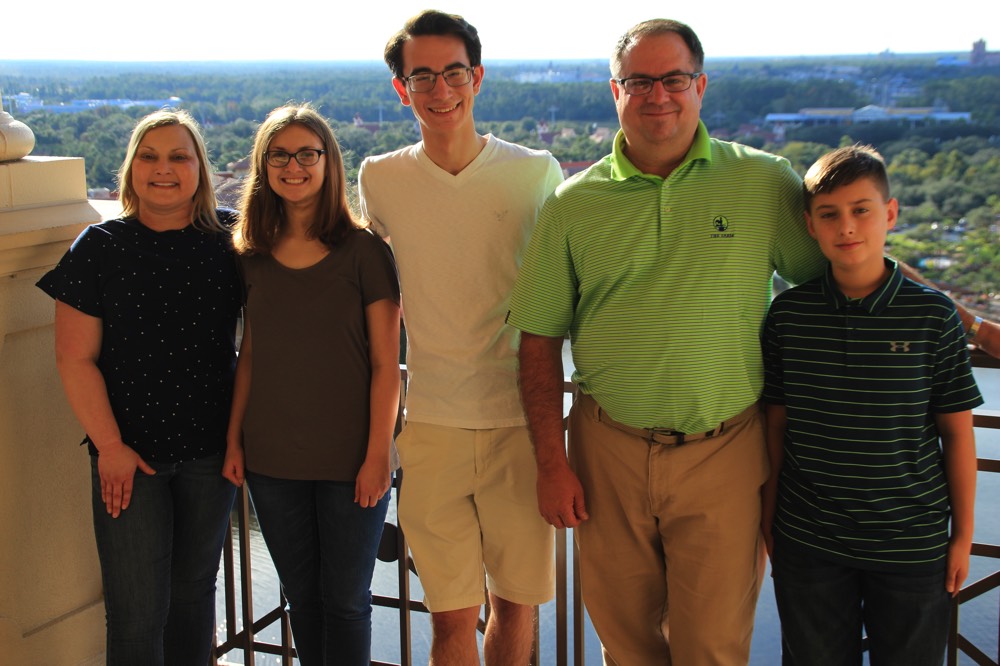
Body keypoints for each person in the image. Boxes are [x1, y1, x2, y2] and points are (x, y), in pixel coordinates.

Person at [506, 19, 828, 666]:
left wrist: (964, 325)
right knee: (626, 646)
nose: (658, 96)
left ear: (700, 86)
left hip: (725, 452)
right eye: (639, 81)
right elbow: (538, 340)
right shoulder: (573, 205)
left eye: (674, 79)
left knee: (711, 648)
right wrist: (551, 460)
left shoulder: (763, 183)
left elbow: (849, 272)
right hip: (606, 455)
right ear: (615, 91)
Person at [357, 10, 563, 664]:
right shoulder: (379, 178)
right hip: (433, 426)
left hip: (520, 424)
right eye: (422, 76)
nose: (440, 89)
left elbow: (570, 285)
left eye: (452, 72)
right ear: (401, 89)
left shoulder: (535, 174)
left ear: (476, 77)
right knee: (450, 622)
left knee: (515, 608)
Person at [760, 145, 981, 666]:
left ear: (890, 213)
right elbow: (775, 426)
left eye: (862, 209)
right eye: (829, 214)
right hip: (808, 542)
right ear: (809, 226)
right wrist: (769, 520)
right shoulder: (789, 314)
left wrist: (963, 538)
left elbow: (958, 433)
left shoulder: (933, 316)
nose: (847, 227)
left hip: (912, 547)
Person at [37, 109, 241, 664]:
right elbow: (74, 358)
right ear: (131, 168)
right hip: (128, 456)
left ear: (201, 167)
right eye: (149, 156)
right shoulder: (99, 246)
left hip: (211, 453)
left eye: (180, 156)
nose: (164, 169)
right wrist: (109, 448)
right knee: (134, 613)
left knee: (195, 597)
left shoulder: (230, 239)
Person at [222, 103, 401, 665]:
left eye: (306, 154)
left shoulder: (365, 251)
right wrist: (234, 442)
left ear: (329, 162)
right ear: (263, 165)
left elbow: (385, 364)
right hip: (272, 460)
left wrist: (379, 454)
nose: (293, 166)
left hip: (352, 461)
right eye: (279, 155)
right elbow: (250, 353)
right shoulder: (252, 254)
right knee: (303, 599)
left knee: (346, 602)